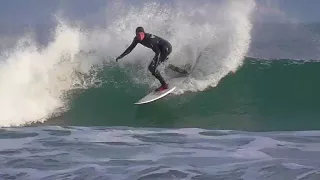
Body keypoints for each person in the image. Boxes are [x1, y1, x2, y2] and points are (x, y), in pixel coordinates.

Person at [116, 27, 188, 91]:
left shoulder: (150, 40)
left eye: (141, 34)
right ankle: (183, 71)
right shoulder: (137, 39)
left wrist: (155, 66)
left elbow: (158, 53)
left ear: (144, 33)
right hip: (162, 48)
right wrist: (121, 56)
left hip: (166, 49)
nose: (140, 36)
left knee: (151, 68)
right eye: (138, 35)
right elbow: (130, 48)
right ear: (136, 34)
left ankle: (164, 85)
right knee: (165, 64)